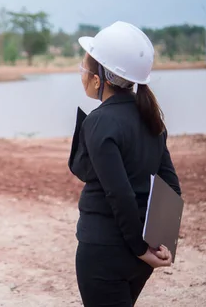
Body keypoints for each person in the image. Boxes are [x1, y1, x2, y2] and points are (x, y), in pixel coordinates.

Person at [68, 21, 182, 307]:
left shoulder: (99, 122)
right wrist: (155, 244)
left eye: (85, 67)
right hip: (139, 257)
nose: (81, 72)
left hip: (105, 252)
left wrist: (141, 248)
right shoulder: (150, 116)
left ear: (99, 79)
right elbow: (171, 186)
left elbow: (119, 193)